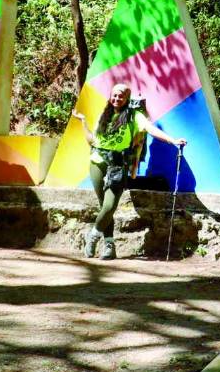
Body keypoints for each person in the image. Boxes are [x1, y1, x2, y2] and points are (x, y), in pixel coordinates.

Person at [73, 83, 187, 259]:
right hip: (97, 161)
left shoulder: (135, 116)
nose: (117, 99)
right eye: (114, 95)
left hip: (118, 164)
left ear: (127, 98)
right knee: (104, 206)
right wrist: (83, 122)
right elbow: (92, 141)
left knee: (110, 206)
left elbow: (151, 129)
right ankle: (109, 246)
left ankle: (93, 236)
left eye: (121, 96)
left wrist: (172, 140)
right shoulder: (104, 115)